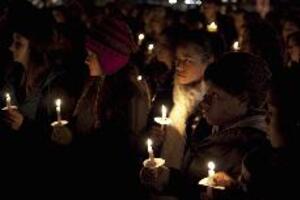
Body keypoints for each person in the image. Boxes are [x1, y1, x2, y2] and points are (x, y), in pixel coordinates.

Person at [141, 52, 271, 200]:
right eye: (207, 93)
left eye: (215, 95)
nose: (204, 102)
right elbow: (196, 181)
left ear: (242, 99)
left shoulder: (254, 150)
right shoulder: (209, 124)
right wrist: (166, 177)